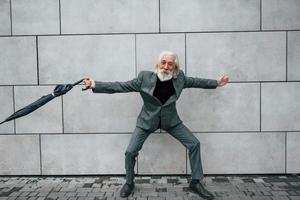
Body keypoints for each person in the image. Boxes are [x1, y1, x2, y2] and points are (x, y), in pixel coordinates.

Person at [83, 51, 229, 199]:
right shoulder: (144, 77)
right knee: (130, 152)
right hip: (147, 121)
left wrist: (216, 83)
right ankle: (129, 183)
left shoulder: (180, 78)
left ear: (175, 66)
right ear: (158, 64)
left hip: (171, 121)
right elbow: (121, 86)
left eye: (170, 64)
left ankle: (195, 182)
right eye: (163, 62)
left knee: (194, 144)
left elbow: (197, 82)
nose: (166, 66)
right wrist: (95, 85)